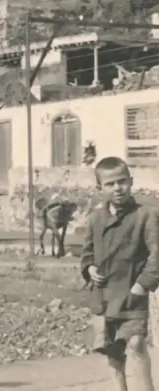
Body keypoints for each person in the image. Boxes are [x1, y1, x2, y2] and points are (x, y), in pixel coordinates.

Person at [81, 157, 158, 391]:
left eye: (122, 182)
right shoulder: (95, 218)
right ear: (99, 188)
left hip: (132, 292)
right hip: (103, 296)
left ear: (131, 182)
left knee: (136, 343)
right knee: (112, 350)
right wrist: (89, 269)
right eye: (110, 184)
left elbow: (157, 254)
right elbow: (87, 252)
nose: (117, 188)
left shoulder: (145, 215)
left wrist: (143, 284)